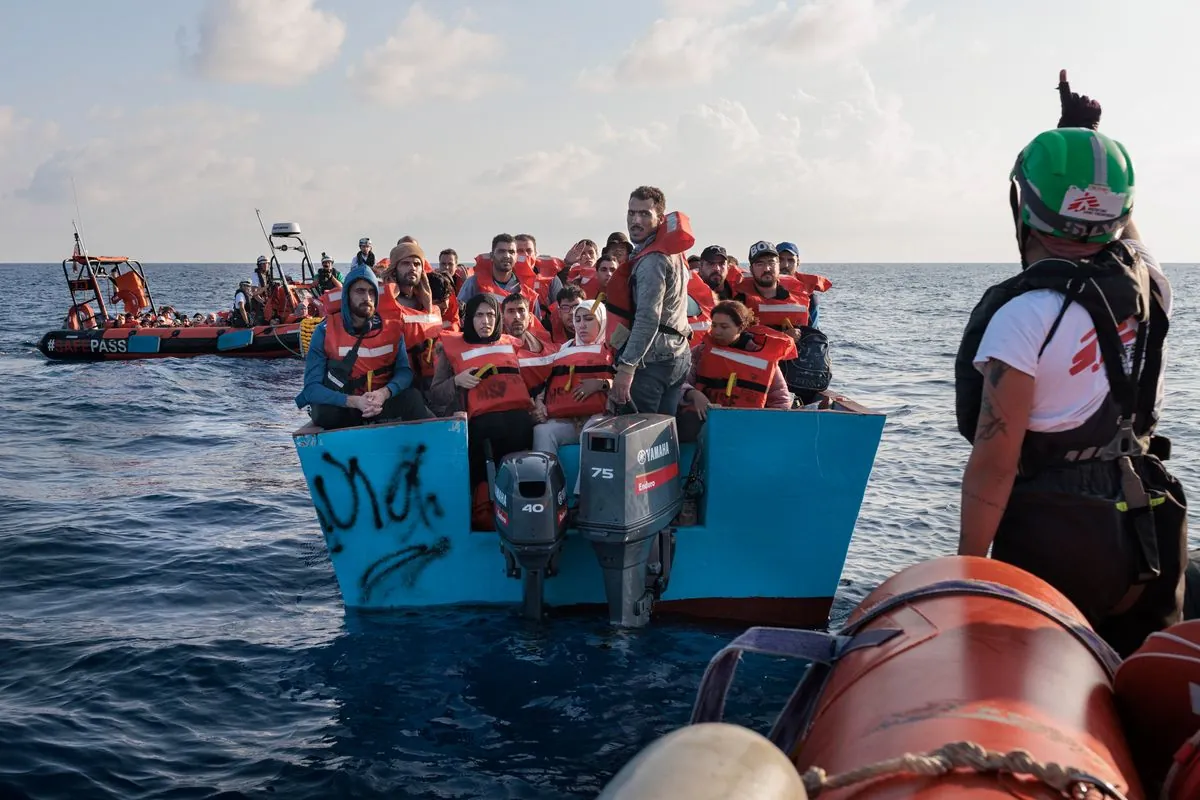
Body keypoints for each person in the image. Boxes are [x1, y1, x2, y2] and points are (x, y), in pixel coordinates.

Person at [955, 70, 1186, 658]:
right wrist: (1086, 140)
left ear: (1024, 204)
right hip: (1147, 527)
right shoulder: (1150, 286)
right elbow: (1124, 232)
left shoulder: (1026, 316)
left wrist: (964, 574)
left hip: (1060, 537)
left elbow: (994, 461)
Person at [428, 294, 535, 528]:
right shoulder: (449, 349)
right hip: (479, 427)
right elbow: (435, 394)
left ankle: (526, 514)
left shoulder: (511, 344)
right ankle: (481, 513)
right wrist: (456, 381)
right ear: (470, 318)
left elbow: (530, 382)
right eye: (479, 315)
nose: (485, 321)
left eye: (490, 315)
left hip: (518, 425)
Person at [294, 263, 433, 430]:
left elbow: (404, 372)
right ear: (347, 295)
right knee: (324, 411)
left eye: (371, 292)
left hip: (381, 402)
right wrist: (354, 402)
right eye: (360, 291)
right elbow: (311, 389)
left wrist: (383, 394)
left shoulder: (393, 328)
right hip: (347, 406)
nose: (367, 297)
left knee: (413, 398)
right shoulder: (324, 331)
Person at [607, 186, 693, 414]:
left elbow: (647, 318)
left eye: (645, 214)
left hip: (654, 361)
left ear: (660, 218)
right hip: (679, 353)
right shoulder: (673, 251)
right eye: (631, 213)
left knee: (640, 437)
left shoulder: (652, 261)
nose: (635, 220)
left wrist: (627, 367)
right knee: (665, 434)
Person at [676, 300, 794, 442]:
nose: (717, 331)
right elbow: (678, 382)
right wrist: (693, 394)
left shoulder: (764, 358)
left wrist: (767, 425)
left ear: (740, 328)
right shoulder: (700, 352)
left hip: (748, 428)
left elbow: (781, 400)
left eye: (724, 327)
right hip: (705, 422)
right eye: (714, 325)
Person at [532, 302, 614, 496]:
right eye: (577, 320)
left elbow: (625, 382)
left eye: (588, 319)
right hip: (568, 420)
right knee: (542, 431)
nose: (581, 325)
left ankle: (581, 498)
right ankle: (549, 494)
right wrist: (539, 403)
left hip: (599, 418)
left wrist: (602, 383)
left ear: (601, 321)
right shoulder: (564, 349)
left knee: (592, 431)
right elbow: (547, 382)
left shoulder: (612, 349)